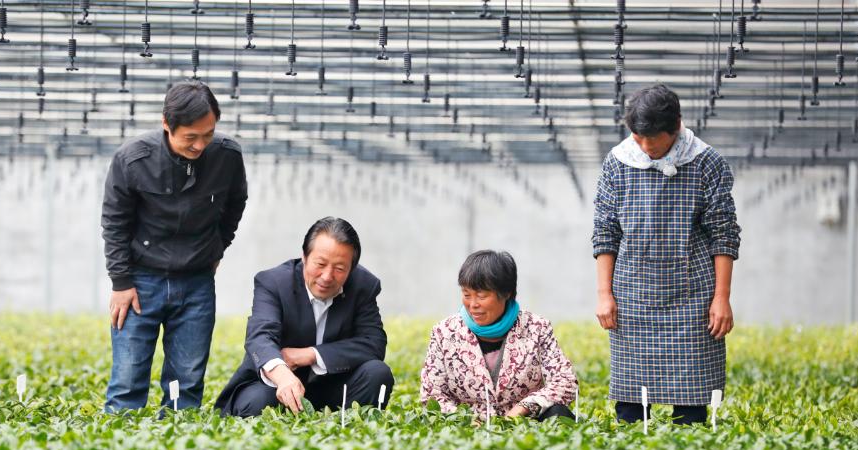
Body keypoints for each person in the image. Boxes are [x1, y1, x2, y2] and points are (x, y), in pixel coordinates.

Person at [592, 83, 741, 425]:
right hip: (632, 296)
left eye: (653, 138)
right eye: (638, 137)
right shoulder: (618, 163)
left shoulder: (707, 163)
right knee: (630, 407)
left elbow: (724, 234)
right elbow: (605, 233)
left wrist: (721, 298)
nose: (644, 147)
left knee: (691, 405)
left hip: (693, 298)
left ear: (676, 126)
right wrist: (605, 294)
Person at [101, 81, 248, 413]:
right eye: (190, 137)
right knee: (127, 380)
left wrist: (217, 249)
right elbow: (114, 222)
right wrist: (121, 282)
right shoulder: (133, 159)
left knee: (187, 382)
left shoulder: (227, 156)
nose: (200, 145)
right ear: (167, 124)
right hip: (140, 282)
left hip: (196, 282)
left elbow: (235, 204)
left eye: (207, 135)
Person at [216, 217, 394, 417]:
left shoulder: (364, 285)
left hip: (333, 385)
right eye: (320, 263)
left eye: (339, 268)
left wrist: (310, 354)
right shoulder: (274, 282)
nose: (327, 276)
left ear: (351, 269)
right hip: (274, 386)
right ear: (304, 256)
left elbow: (373, 344)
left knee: (378, 373)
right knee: (257, 403)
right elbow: (260, 337)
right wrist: (283, 376)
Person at [420, 250, 579, 421]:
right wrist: (466, 421)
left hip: (525, 424)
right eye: (466, 295)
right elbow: (432, 394)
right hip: (467, 429)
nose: (473, 304)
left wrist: (523, 408)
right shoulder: (444, 332)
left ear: (506, 293)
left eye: (482, 295)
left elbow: (566, 381)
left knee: (559, 415)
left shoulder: (537, 328)